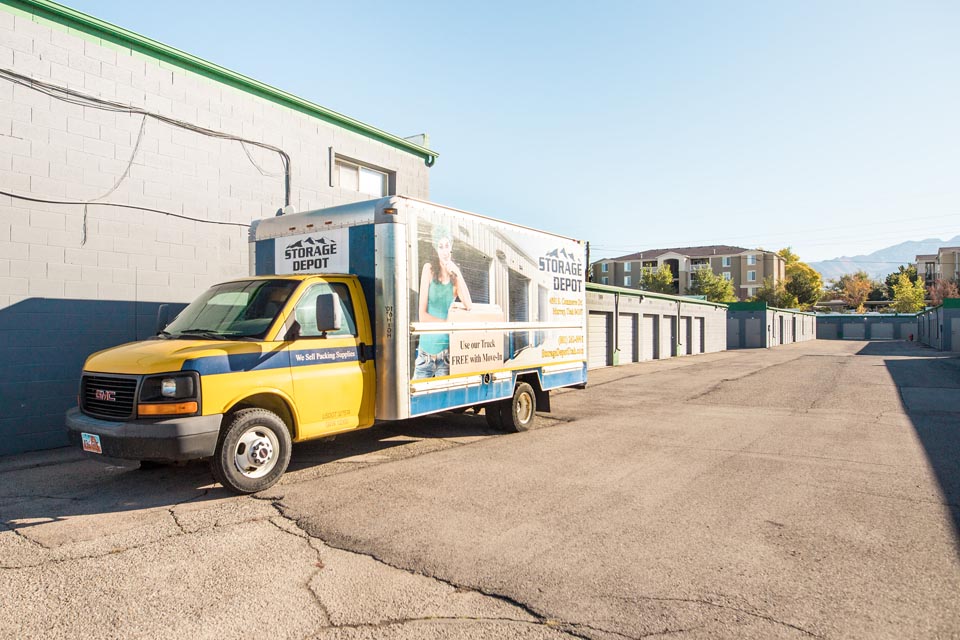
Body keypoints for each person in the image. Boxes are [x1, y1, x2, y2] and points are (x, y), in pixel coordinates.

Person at [414, 225, 472, 378]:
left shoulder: (454, 278)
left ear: (451, 247)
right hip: (425, 355)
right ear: (436, 249)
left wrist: (457, 272)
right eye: (441, 247)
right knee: (417, 400)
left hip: (445, 356)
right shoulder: (428, 269)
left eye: (447, 246)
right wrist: (448, 324)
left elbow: (469, 304)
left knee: (442, 401)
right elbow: (422, 315)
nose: (445, 251)